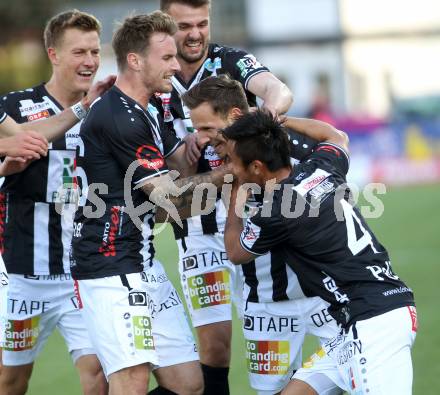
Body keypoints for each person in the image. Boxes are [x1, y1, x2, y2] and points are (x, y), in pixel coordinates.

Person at [70, 11, 233, 395]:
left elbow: (166, 171)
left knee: (189, 384)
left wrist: (198, 148)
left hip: (140, 257)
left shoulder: (151, 107)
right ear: (135, 60)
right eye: (166, 58)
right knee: (131, 382)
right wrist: (234, 172)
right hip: (109, 266)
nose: (177, 66)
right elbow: (171, 201)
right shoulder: (119, 116)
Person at [222, 110, 417, 395]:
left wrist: (234, 196)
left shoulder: (276, 210)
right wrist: (278, 123)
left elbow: (235, 252)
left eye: (232, 162)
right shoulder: (321, 167)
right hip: (364, 316)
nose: (229, 168)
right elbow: (335, 136)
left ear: (256, 167)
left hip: (373, 325)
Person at [160, 2, 293, 392]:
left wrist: (263, 118)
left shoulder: (229, 60)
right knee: (215, 350)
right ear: (167, 25)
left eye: (202, 23)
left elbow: (276, 90)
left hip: (253, 221)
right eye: (184, 26)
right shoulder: (157, 78)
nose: (195, 33)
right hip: (198, 231)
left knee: (277, 346)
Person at [182, 75, 342, 395]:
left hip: (324, 297)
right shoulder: (219, 167)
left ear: (235, 118)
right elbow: (179, 205)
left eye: (206, 128)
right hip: (265, 307)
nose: (199, 139)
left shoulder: (291, 148)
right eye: (195, 129)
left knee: (354, 375)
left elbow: (335, 140)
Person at [0, 10, 113, 395]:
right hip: (22, 277)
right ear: (54, 54)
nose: (89, 62)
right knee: (11, 381)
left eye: (95, 52)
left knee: (97, 374)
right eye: (79, 51)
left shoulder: (110, 110)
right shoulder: (16, 107)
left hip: (81, 275)